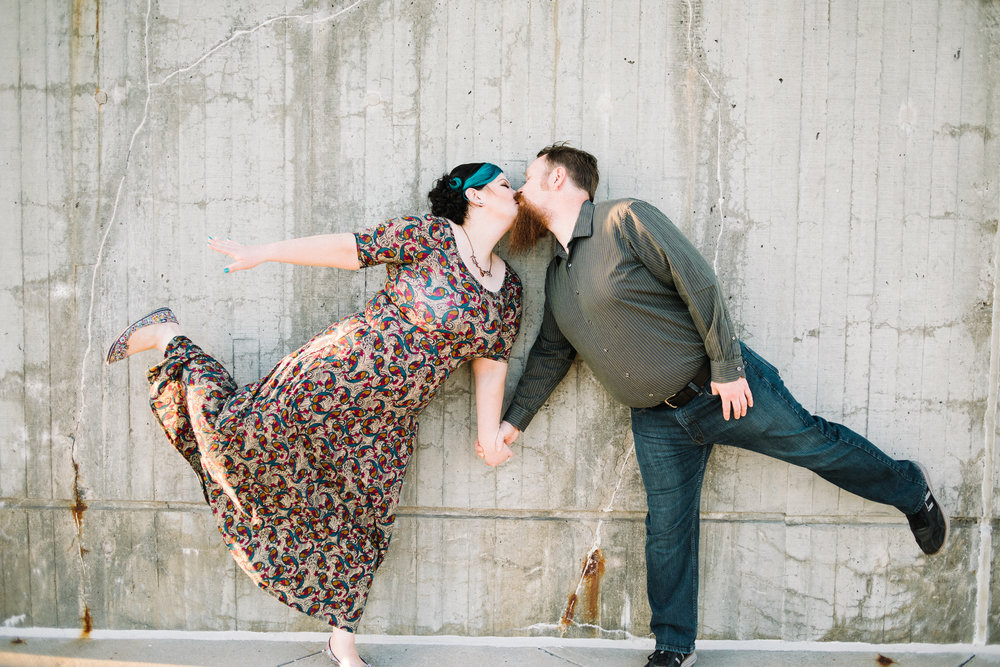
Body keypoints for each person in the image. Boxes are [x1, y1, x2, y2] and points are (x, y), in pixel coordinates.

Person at [490, 143, 948, 667]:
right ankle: (672, 646)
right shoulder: (557, 272)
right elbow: (551, 353)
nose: (520, 191)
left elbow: (698, 282)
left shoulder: (625, 219)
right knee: (667, 531)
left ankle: (911, 489)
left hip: (720, 390)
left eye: (527, 179)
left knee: (817, 446)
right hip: (656, 422)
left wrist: (729, 369)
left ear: (558, 180)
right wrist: (513, 423)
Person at [106, 163, 522, 667]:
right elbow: (352, 249)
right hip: (334, 374)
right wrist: (264, 253)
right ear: (475, 197)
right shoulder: (431, 235)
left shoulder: (510, 289)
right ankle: (170, 337)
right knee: (237, 432)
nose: (516, 190)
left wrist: (489, 436)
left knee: (363, 523)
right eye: (505, 184)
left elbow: (490, 368)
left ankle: (341, 642)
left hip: (388, 420)